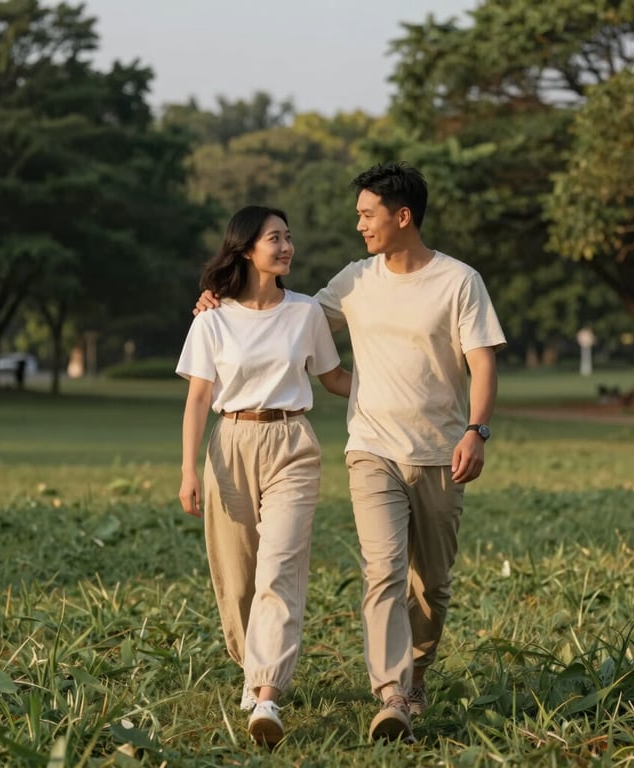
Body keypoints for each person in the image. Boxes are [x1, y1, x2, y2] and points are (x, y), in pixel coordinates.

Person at [194, 163, 506, 744]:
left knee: (431, 584)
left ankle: (414, 676)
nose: (359, 224)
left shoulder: (459, 281)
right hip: (370, 449)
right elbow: (283, 318)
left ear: (402, 216)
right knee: (382, 571)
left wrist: (476, 430)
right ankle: (392, 693)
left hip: (441, 449)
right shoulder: (353, 281)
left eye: (368, 214)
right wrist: (223, 297)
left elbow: (483, 361)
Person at [177, 205, 351, 749]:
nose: (286, 246)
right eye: (275, 238)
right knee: (237, 576)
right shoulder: (212, 318)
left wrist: (398, 380)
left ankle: (268, 690)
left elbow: (334, 378)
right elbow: (198, 399)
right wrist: (188, 470)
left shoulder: (305, 314)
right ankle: (253, 662)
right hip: (229, 445)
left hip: (292, 444)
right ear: (245, 248)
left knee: (280, 568)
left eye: (288, 237)